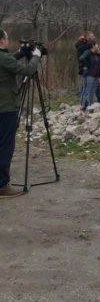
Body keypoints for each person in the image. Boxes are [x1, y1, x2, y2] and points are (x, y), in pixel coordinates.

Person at [0, 30, 42, 198]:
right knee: (5, 145)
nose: (8, 41)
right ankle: (3, 184)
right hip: (6, 107)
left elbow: (7, 63)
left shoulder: (4, 58)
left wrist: (21, 53)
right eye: (7, 38)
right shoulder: (3, 57)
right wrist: (37, 56)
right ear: (2, 40)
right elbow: (27, 71)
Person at [78, 41, 100, 110]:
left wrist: (99, 53)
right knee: (87, 90)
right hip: (89, 74)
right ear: (93, 45)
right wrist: (88, 65)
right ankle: (83, 105)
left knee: (92, 91)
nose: (98, 46)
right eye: (97, 45)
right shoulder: (88, 52)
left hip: (96, 75)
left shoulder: (96, 54)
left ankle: (90, 105)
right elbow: (81, 58)